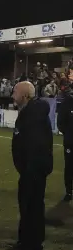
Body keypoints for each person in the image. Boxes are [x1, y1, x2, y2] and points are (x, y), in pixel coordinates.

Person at [10, 81, 53, 250]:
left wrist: (30, 169)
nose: (12, 94)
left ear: (25, 95)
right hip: (28, 170)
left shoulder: (33, 115)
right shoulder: (29, 112)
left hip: (33, 170)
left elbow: (35, 147)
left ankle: (32, 247)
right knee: (27, 206)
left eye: (15, 91)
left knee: (32, 207)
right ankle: (24, 242)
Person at [57, 65, 73, 202]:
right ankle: (69, 191)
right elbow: (60, 122)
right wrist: (68, 133)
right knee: (69, 167)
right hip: (70, 141)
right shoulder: (68, 101)